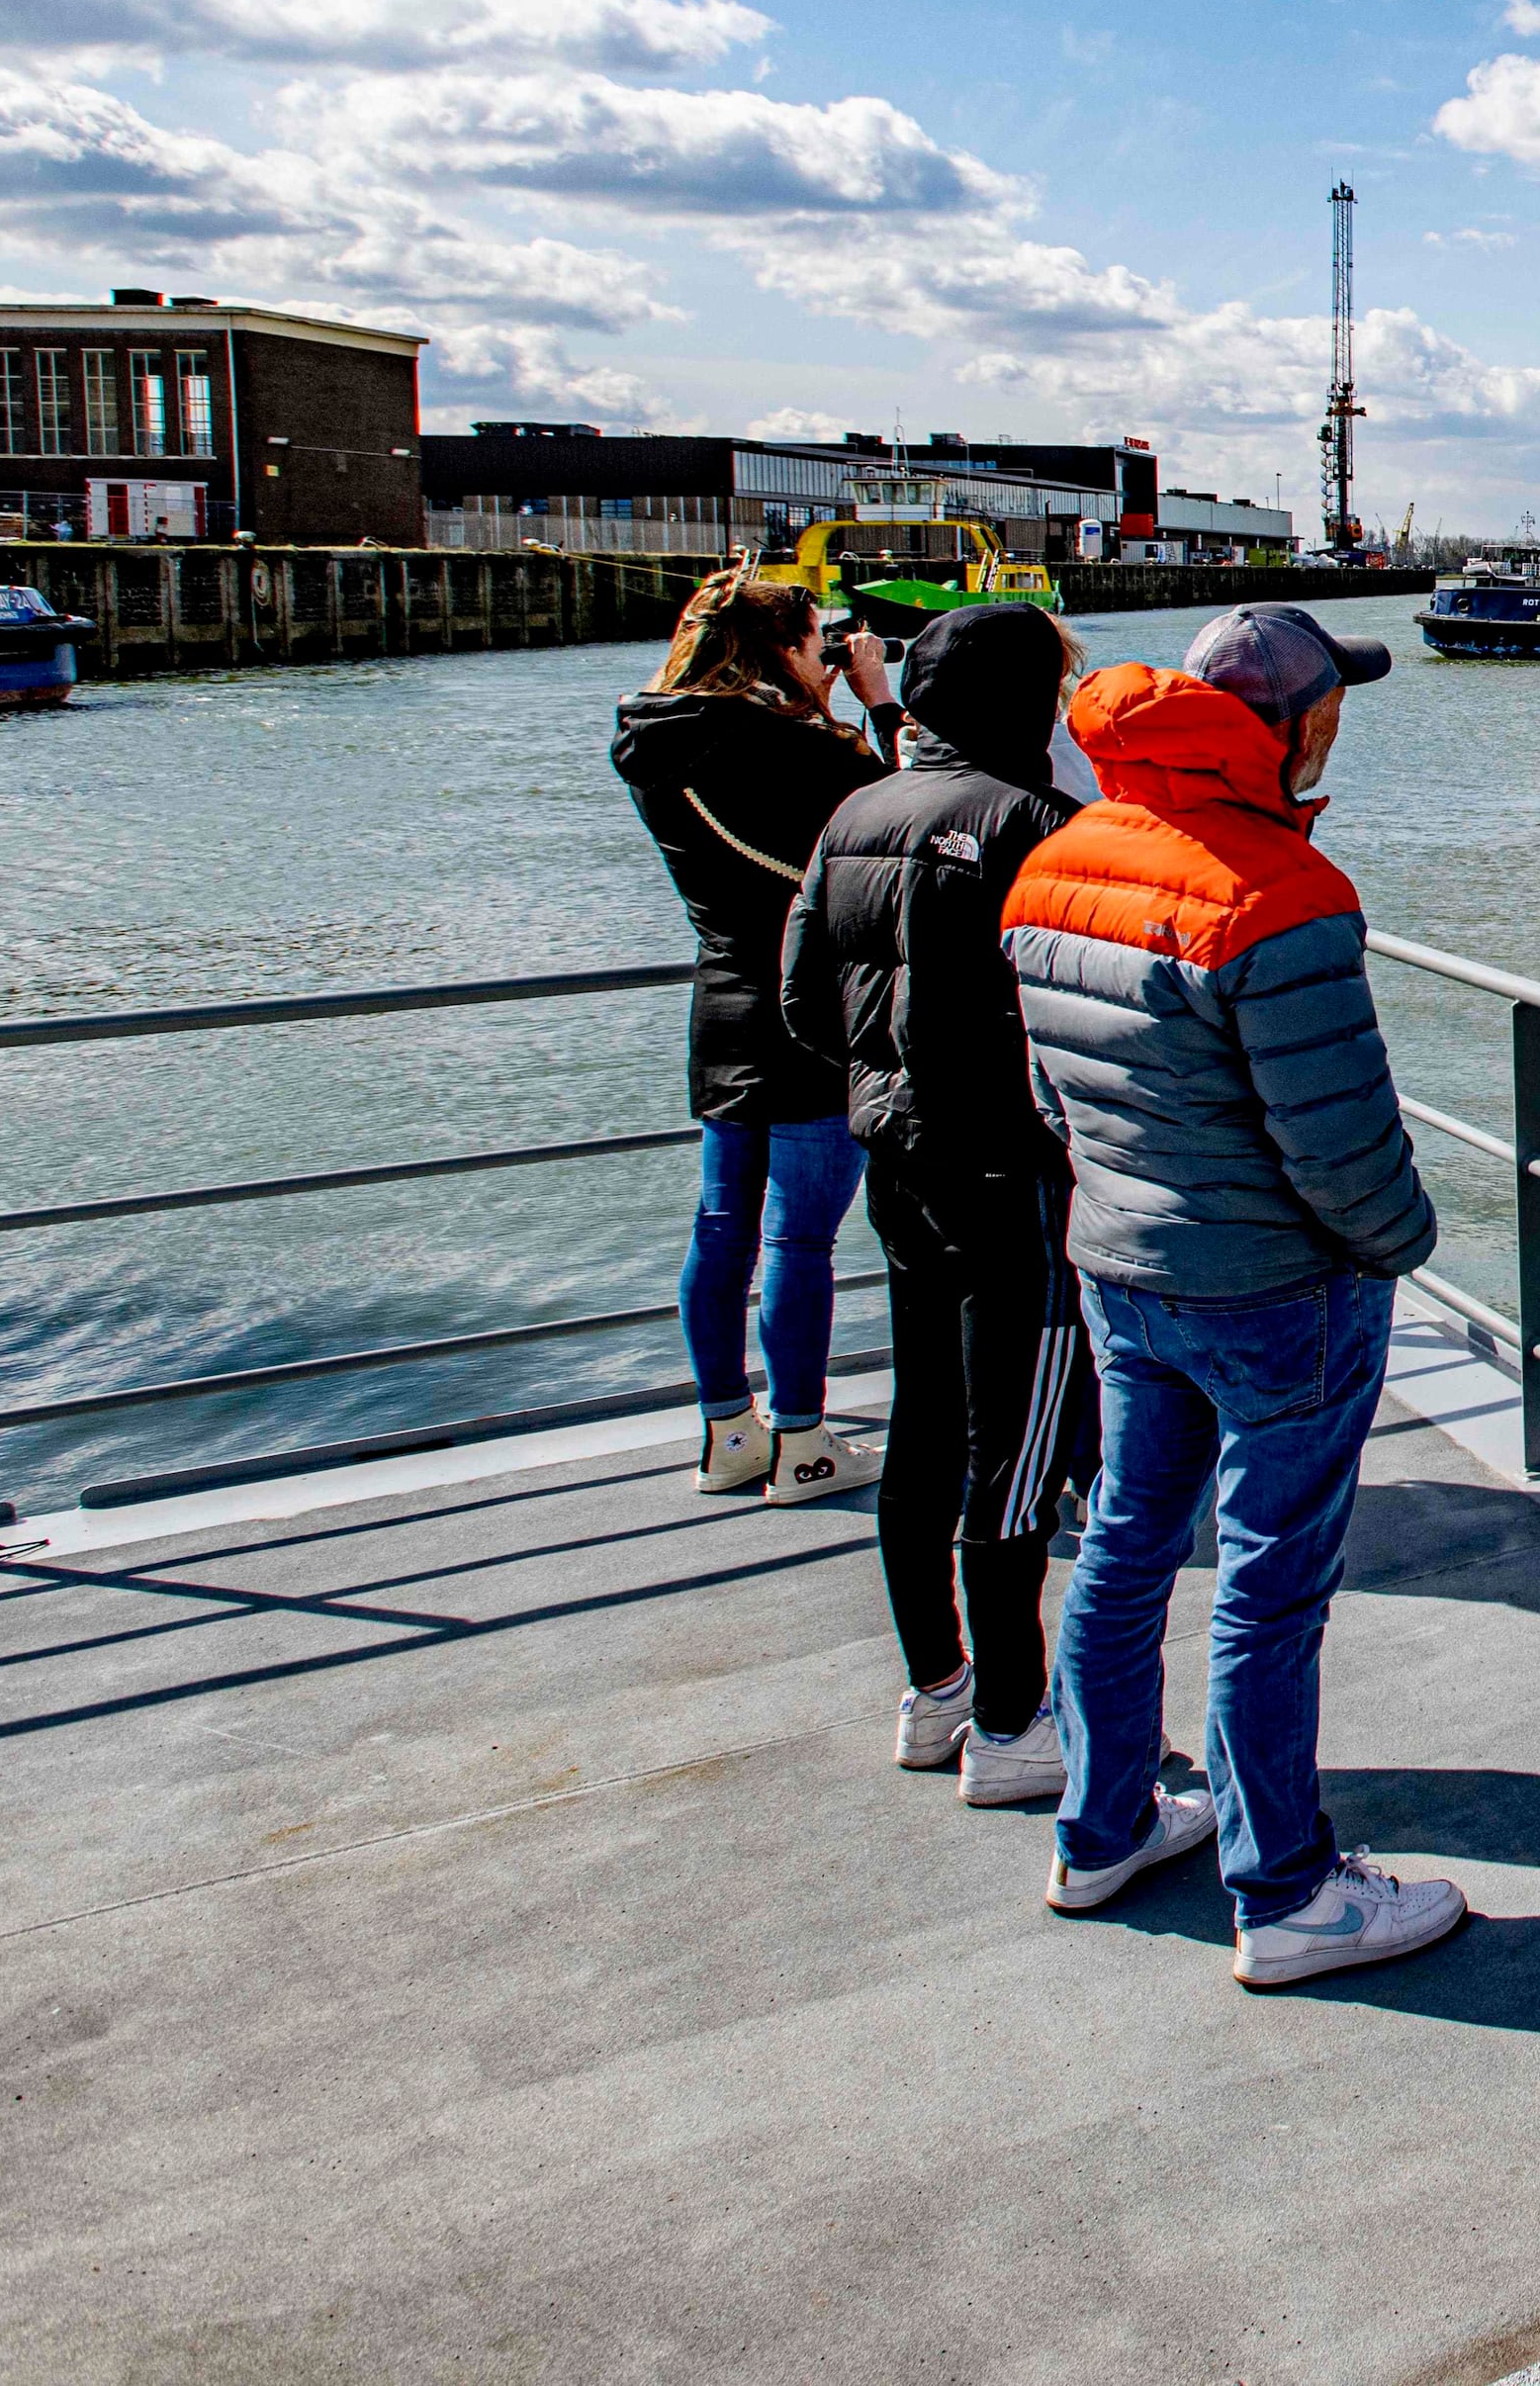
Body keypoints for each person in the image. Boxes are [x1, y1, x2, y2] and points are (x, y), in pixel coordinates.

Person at [1003, 601, 1463, 1987]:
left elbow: (1054, 1096)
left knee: (1129, 1545)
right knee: (1270, 1586)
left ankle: (1103, 1824)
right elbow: (1340, 1140)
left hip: (1123, 1263)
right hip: (1276, 1291)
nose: (1342, 727)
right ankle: (1289, 1889)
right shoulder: (1280, 892)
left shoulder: (1058, 861)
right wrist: (1400, 1241)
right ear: (1288, 724)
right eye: (1332, 706)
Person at [779, 601, 1094, 1797]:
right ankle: (1017, 1725)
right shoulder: (1040, 824)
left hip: (899, 1163)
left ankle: (936, 1691)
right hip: (1017, 1177)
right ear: (1027, 704)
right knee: (1011, 1453)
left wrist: (887, 1079)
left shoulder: (857, 809)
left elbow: (805, 1003)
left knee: (921, 1430)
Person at [612, 564, 894, 1507]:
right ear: (784, 648)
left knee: (721, 1226)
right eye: (819, 640)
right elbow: (905, 817)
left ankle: (728, 1434)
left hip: (723, 998)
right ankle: (805, 1443)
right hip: (810, 1009)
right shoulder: (804, 751)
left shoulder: (650, 741)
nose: (831, 652)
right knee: (800, 1239)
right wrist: (872, 699)